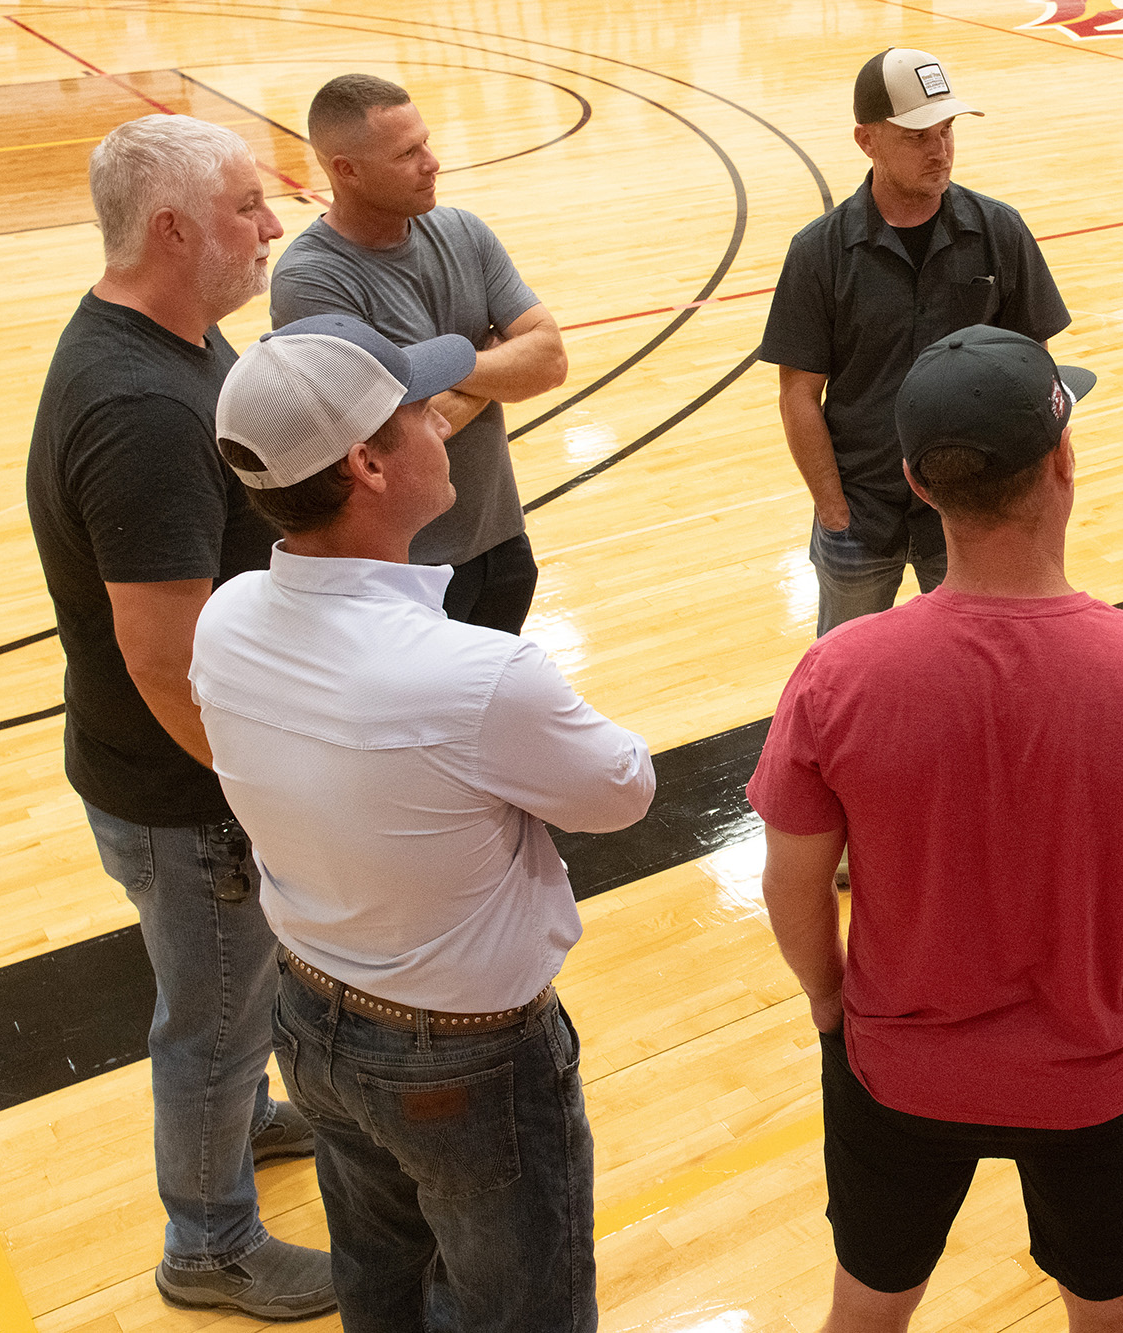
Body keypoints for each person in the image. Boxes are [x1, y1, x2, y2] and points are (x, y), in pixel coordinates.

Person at [748, 326, 1123, 1332]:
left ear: (916, 482)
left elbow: (791, 884)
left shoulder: (837, 674)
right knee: (1113, 1318)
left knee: (864, 1312)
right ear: (1064, 459)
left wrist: (826, 1001)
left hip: (893, 1071)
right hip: (1101, 1075)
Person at [189, 314, 656, 1330]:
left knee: (380, 1277)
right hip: (469, 1061)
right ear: (365, 463)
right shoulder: (476, 677)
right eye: (418, 412)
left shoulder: (225, 617)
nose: (445, 421)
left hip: (310, 1013)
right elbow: (621, 789)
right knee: (520, 1307)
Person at [23, 115, 334, 1318]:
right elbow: (163, 659)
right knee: (204, 1023)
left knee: (217, 998)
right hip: (184, 794)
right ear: (173, 229)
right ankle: (207, 1245)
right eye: (250, 207)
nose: (271, 226)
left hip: (145, 778)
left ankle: (244, 1117)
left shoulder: (161, 337)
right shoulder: (144, 405)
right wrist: (253, 792)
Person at [760, 48, 1070, 637]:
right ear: (866, 140)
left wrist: (1029, 503)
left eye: (948, 129)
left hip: (973, 515)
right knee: (846, 673)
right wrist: (833, 509)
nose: (941, 150)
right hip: (860, 516)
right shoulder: (818, 253)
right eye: (917, 135)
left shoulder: (999, 230)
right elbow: (798, 393)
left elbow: (1037, 372)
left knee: (977, 666)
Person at [270, 72, 568, 634]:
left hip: (501, 541)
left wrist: (445, 374)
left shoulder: (463, 231)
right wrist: (494, 354)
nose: (431, 162)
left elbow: (549, 359)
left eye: (426, 143)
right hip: (403, 573)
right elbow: (393, 432)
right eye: (407, 153)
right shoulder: (310, 280)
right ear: (346, 170)